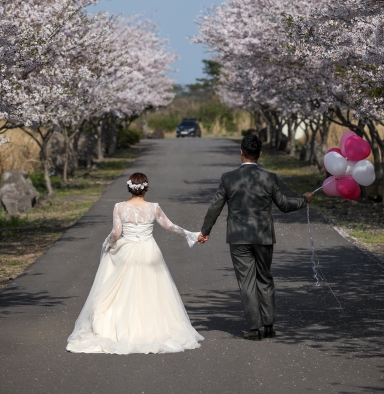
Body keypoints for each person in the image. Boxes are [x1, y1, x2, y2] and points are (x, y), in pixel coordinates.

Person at [67, 172, 203, 354]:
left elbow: (116, 232)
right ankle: (153, 326)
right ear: (145, 188)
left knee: (123, 288)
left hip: (127, 249)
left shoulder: (119, 207)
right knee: (153, 288)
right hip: (148, 250)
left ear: (129, 187)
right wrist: (190, 234)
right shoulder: (154, 208)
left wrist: (108, 242)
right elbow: (169, 226)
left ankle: (121, 324)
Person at [198, 134, 314, 341]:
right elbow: (285, 206)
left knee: (246, 282)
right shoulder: (269, 177)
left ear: (241, 152)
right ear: (260, 154)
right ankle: (269, 325)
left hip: (238, 237)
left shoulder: (228, 178)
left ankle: (254, 328)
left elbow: (214, 207)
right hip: (263, 237)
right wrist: (304, 200)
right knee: (265, 278)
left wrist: (205, 231)